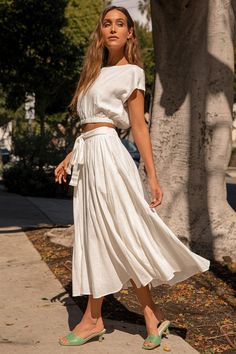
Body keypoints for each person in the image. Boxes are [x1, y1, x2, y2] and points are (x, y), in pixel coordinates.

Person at [54, 5, 210, 350]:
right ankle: (142, 317)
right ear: (101, 33)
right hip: (90, 157)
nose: (112, 28)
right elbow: (89, 125)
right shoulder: (92, 74)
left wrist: (152, 177)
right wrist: (70, 156)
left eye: (120, 24)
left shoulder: (133, 73)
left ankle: (97, 319)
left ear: (129, 34)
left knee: (124, 233)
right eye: (107, 23)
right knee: (97, 236)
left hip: (110, 158)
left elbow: (138, 126)